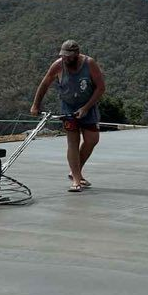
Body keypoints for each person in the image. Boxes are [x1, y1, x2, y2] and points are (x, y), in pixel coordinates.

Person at [31, 39, 106, 192]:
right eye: (63, 56)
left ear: (77, 54)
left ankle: (74, 171)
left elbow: (100, 88)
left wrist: (85, 108)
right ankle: (77, 180)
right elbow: (45, 84)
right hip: (68, 108)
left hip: (88, 107)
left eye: (69, 56)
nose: (66, 59)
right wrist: (36, 104)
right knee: (73, 142)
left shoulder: (89, 63)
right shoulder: (58, 65)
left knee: (92, 140)